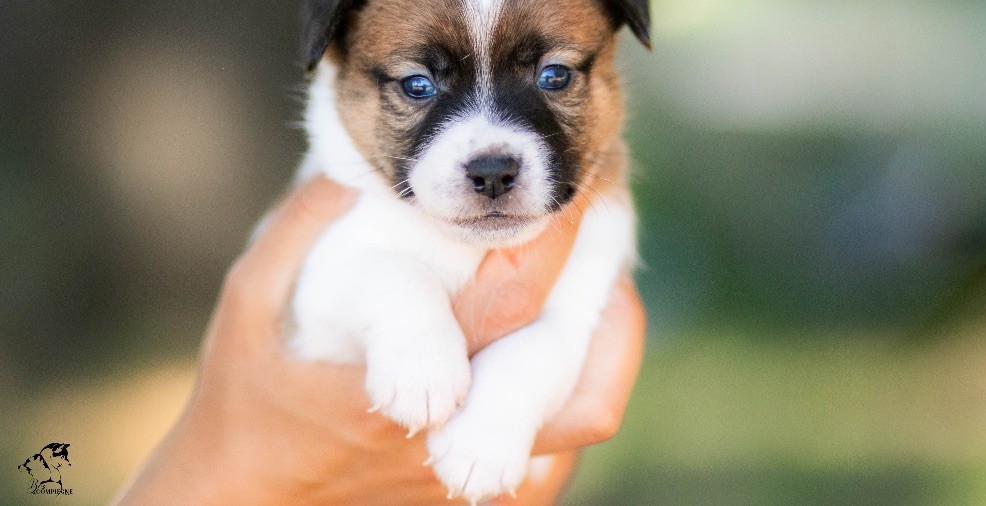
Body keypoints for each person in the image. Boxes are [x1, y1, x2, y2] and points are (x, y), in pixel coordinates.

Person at [115, 177, 645, 504]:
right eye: (418, 84)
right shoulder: (347, 194)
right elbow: (330, 295)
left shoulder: (594, 211)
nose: (492, 150)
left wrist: (510, 399)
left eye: (552, 77)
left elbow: (569, 336)